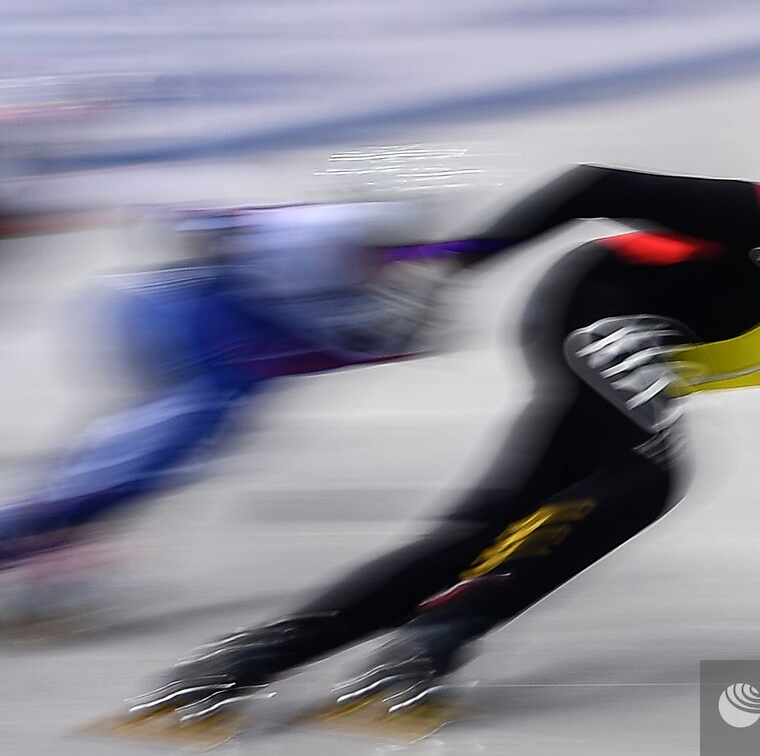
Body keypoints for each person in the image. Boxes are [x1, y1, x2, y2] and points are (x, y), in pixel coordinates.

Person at [132, 122, 760, 724]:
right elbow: (592, 187)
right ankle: (437, 632)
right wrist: (455, 264)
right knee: (652, 475)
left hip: (650, 359)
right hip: (599, 301)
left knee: (496, 520)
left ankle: (259, 659)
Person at [0, 199, 453, 613]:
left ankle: (52, 543)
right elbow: (184, 222)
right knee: (133, 466)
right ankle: (41, 534)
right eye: (382, 258)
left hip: (197, 338)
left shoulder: (340, 270)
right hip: (183, 330)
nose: (385, 272)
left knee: (134, 466)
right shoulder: (309, 235)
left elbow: (341, 343)